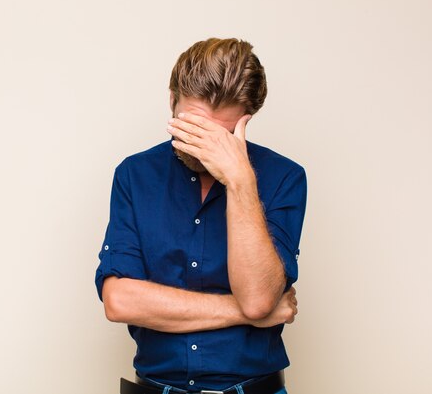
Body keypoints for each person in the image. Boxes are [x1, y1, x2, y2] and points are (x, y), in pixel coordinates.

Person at [94, 37, 307, 394]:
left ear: (245, 121)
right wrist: (244, 314)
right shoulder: (134, 175)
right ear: (172, 100)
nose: (201, 146)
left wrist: (239, 181)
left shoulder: (284, 178)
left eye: (218, 135)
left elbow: (257, 298)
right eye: (191, 127)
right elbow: (120, 300)